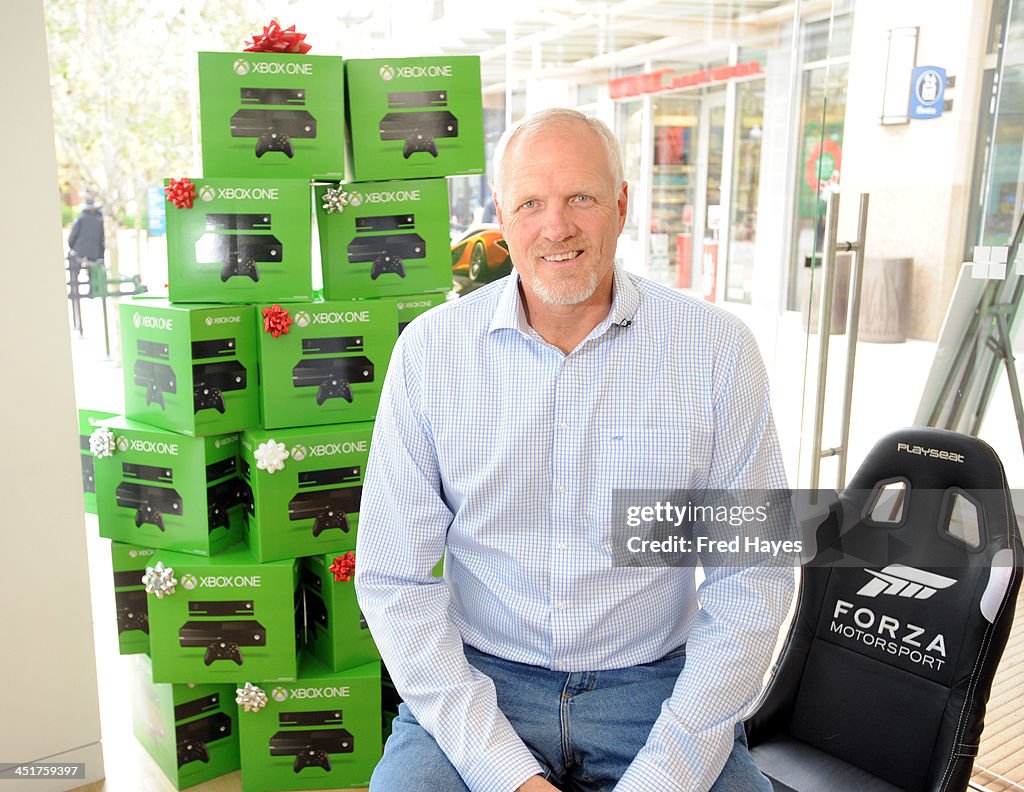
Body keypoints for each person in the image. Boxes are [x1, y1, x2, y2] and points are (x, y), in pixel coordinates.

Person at [355, 108, 794, 792]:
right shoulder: (430, 356)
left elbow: (753, 577)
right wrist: (508, 775)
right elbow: (395, 581)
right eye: (531, 202)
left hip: (657, 694)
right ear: (501, 214)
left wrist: (666, 775)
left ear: (621, 205)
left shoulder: (716, 351)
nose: (556, 227)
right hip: (482, 685)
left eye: (581, 198)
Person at [67, 194, 105, 274]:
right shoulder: (98, 220)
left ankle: (74, 286)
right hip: (93, 253)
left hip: (79, 251)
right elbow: (101, 238)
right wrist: (100, 254)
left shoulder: (80, 219)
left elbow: (73, 235)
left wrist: (72, 246)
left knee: (74, 275)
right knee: (93, 276)